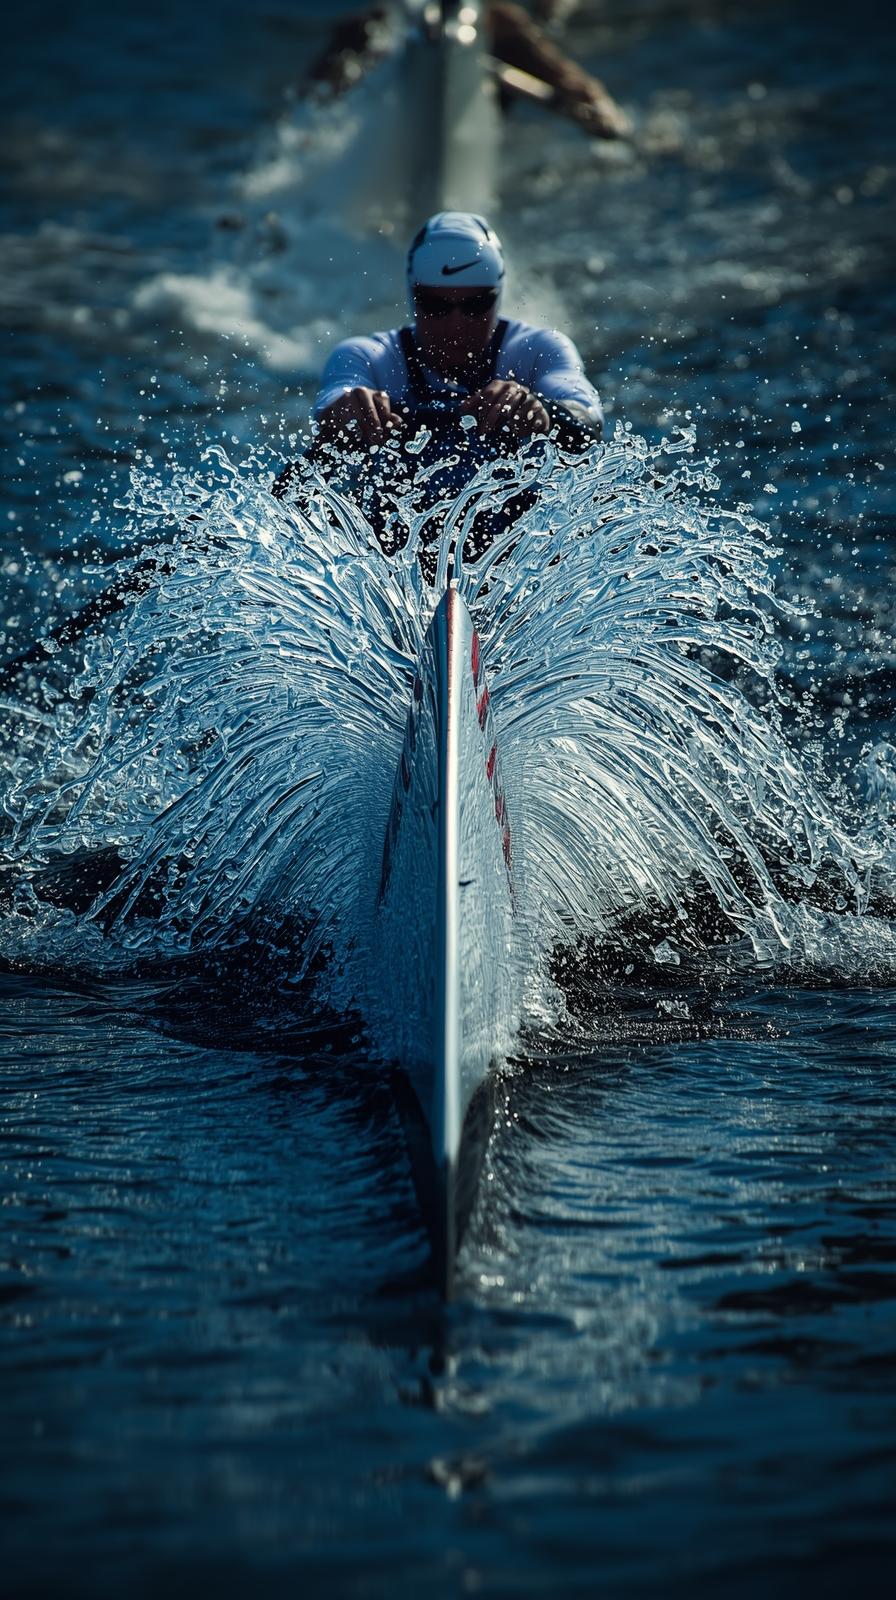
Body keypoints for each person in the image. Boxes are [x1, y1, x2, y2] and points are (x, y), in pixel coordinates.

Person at [274, 212, 603, 567]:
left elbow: (588, 421)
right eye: (435, 305)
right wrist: (349, 414)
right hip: (398, 555)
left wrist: (542, 410)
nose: (455, 323)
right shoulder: (368, 357)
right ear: (412, 296)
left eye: (476, 305)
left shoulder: (540, 350)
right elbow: (333, 406)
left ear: (498, 295)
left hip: (514, 554)